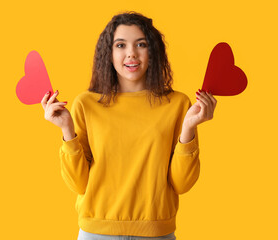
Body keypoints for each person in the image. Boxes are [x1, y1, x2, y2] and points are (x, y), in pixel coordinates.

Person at [41, 11, 216, 240]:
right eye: (121, 45)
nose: (131, 54)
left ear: (152, 52)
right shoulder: (86, 104)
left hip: (156, 233)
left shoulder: (178, 104)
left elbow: (181, 184)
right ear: (109, 54)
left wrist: (189, 129)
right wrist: (67, 131)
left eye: (141, 44)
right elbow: (78, 183)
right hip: (96, 233)